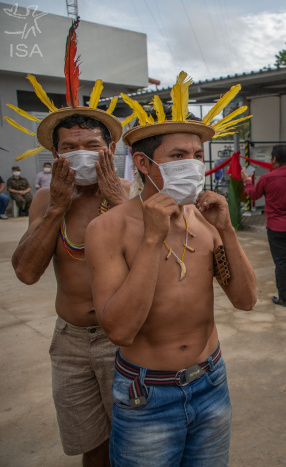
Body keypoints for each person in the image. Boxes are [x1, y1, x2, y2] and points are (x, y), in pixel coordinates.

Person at [85, 74, 256, 466]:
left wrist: (226, 230)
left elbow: (245, 300)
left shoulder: (206, 221)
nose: (193, 165)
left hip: (210, 383)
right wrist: (150, 240)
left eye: (198, 155)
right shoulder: (108, 229)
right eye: (179, 156)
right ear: (144, 163)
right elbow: (120, 330)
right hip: (146, 395)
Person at [9, 21, 128, 464]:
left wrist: (118, 204)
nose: (80, 153)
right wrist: (57, 208)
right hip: (70, 341)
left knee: (132, 444)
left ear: (110, 148)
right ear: (55, 154)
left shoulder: (133, 198)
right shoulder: (45, 197)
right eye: (69, 146)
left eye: (91, 145)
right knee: (90, 448)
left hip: (125, 341)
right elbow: (25, 272)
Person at [243, 145, 286, 307]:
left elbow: (253, 194)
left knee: (281, 263)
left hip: (275, 227)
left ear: (274, 159)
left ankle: (284, 298)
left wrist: (247, 181)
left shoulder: (267, 178)